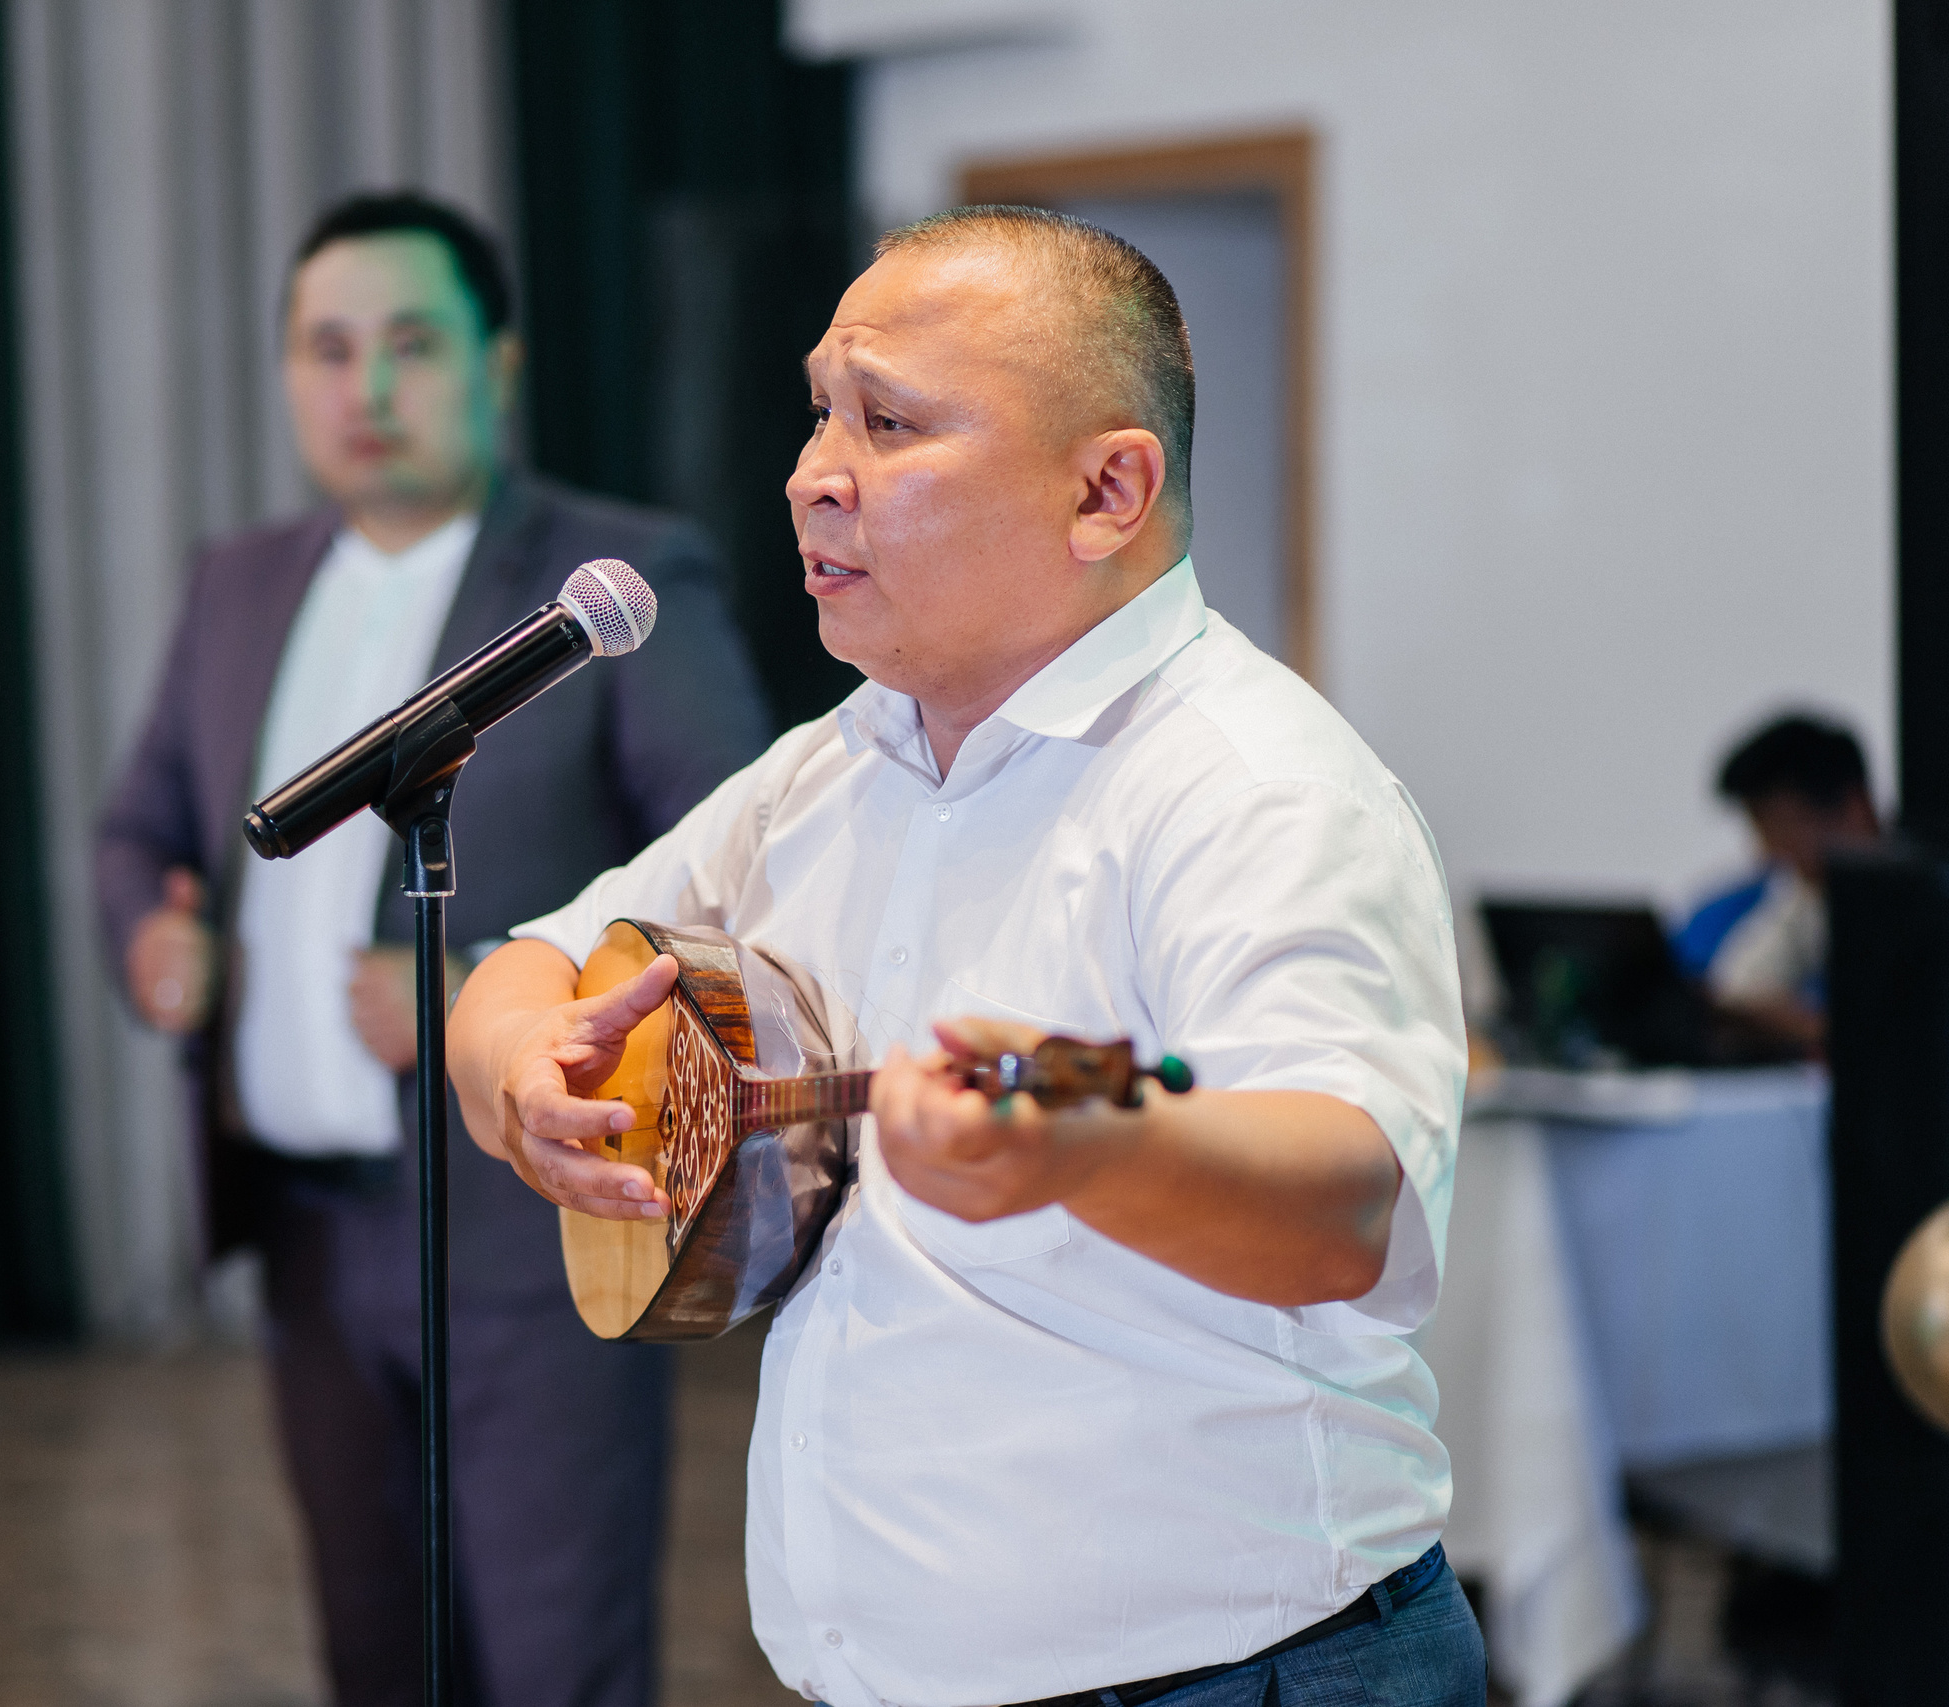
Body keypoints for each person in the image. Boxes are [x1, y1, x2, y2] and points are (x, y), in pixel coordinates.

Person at [449, 207, 1483, 1707]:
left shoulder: (1254, 784)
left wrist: (1082, 1136)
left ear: (1106, 491)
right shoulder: (834, 766)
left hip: (1236, 1675)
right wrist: (519, 1075)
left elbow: (1347, 1193)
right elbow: (523, 962)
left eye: (889, 421)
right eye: (818, 410)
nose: (813, 471)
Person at [94, 192, 769, 1707]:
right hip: (312, 1236)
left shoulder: (615, 579)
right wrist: (152, 930)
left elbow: (745, 870)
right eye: (329, 350)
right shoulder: (239, 581)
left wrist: (487, 1000)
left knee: (551, 1660)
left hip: (527, 1224)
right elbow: (136, 823)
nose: (367, 387)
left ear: (499, 365)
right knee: (375, 1652)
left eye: (410, 344)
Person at [1673, 713, 1882, 1052]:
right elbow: (1739, 990)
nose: (1768, 851)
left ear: (1853, 808)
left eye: (1783, 827)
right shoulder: (1804, 900)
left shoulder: (1923, 907)